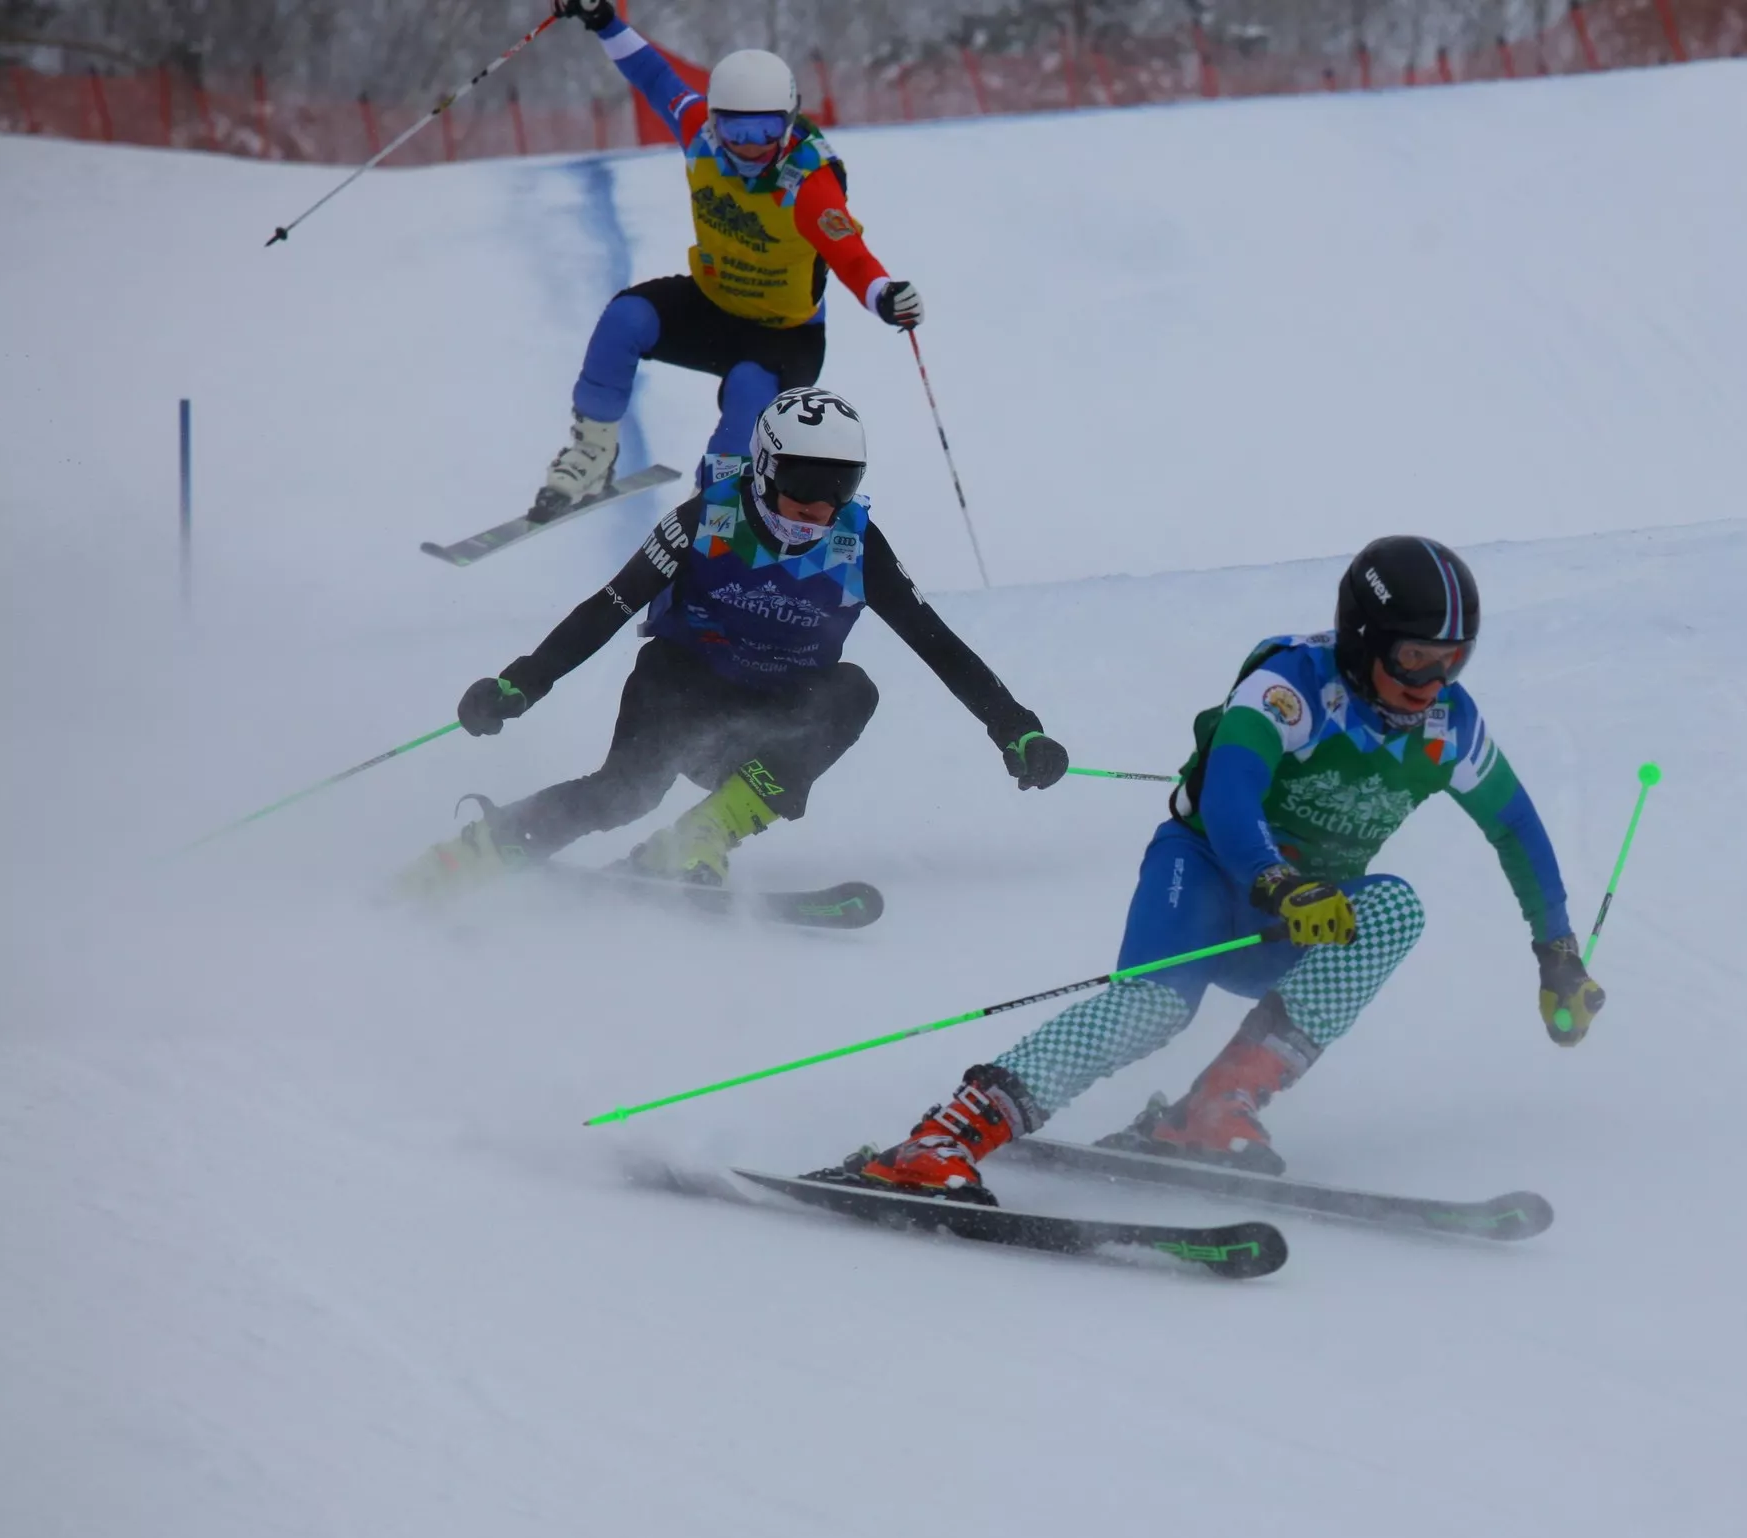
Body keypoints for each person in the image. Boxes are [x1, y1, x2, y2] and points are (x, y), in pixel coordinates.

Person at [852, 535, 1606, 1194]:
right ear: (1365, 637)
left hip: (1299, 920)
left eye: (1454, 661)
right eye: (1414, 657)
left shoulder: (1448, 724)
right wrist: (1277, 881)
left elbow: (1517, 831)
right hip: (1207, 878)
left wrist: (1557, 953)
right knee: (1152, 1009)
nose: (1432, 683)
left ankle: (1214, 1109)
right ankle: (943, 1138)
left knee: (1394, 908)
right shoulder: (1291, 686)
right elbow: (1230, 793)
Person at [404, 389, 1065, 893]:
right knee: (626, 793)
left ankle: (701, 835)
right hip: (681, 685)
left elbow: (938, 644)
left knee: (852, 691)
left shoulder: (854, 544)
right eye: (805, 482)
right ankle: (480, 850)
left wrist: (1016, 728)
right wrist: (521, 682)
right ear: (767, 465)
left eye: (841, 484)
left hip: (771, 721)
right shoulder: (708, 520)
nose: (820, 503)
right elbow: (609, 606)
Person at [527, 0, 924, 521]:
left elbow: (849, 256)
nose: (749, 147)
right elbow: (650, 73)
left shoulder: (807, 181)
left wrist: (884, 295)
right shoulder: (699, 133)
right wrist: (604, 20)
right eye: (736, 131)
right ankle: (594, 453)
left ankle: (712, 511)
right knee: (624, 319)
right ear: (715, 120)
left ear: (788, 121)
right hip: (714, 305)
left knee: (747, 398)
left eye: (763, 132)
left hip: (784, 336)